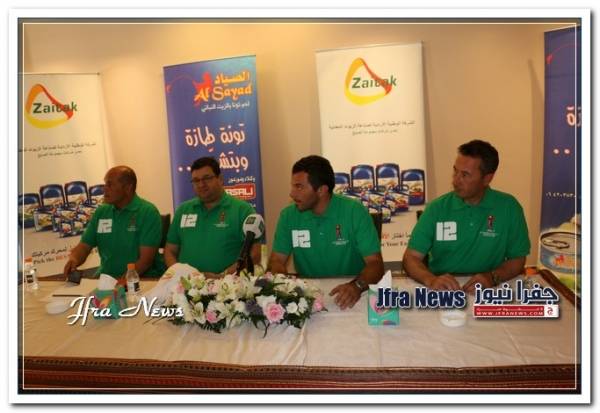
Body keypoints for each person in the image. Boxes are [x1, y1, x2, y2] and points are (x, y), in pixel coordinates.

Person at [403, 140, 531, 293]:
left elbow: (518, 259)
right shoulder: (437, 208)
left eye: (465, 175)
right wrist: (430, 279)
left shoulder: (509, 207)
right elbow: (411, 257)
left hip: (489, 290)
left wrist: (492, 277)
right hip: (444, 290)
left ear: (487, 178)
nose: (455, 180)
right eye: (455, 171)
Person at [268, 155, 384, 310]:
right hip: (308, 298)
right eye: (293, 186)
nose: (292, 194)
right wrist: (281, 280)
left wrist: (357, 285)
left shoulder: (354, 211)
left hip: (352, 295)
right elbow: (276, 260)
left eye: (299, 187)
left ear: (322, 190)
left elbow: (376, 264)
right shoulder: (288, 216)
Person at [63, 166, 165, 279]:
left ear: (128, 187)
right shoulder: (102, 212)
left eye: (110, 185)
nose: (104, 189)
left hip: (141, 279)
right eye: (105, 184)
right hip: (106, 278)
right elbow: (84, 246)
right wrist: (74, 259)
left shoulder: (148, 212)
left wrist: (120, 283)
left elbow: (145, 261)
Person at [164, 157, 261, 276]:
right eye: (196, 180)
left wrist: (222, 277)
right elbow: (170, 251)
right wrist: (180, 275)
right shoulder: (183, 210)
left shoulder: (242, 210)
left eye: (207, 178)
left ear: (220, 179)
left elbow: (254, 255)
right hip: (185, 283)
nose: (201, 184)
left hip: (227, 284)